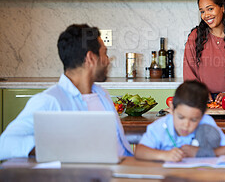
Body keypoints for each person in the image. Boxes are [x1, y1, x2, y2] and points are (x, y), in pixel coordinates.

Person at [0, 24, 133, 160]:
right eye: (104, 53)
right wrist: (57, 146)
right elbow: (4, 144)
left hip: (128, 166)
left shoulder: (102, 94)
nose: (107, 60)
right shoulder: (51, 100)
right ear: (90, 58)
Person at [135, 80, 225, 162]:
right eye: (181, 117)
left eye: (194, 120)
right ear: (172, 109)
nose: (186, 125)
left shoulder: (206, 122)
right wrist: (165, 155)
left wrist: (200, 152)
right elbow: (139, 151)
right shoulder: (161, 126)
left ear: (202, 115)